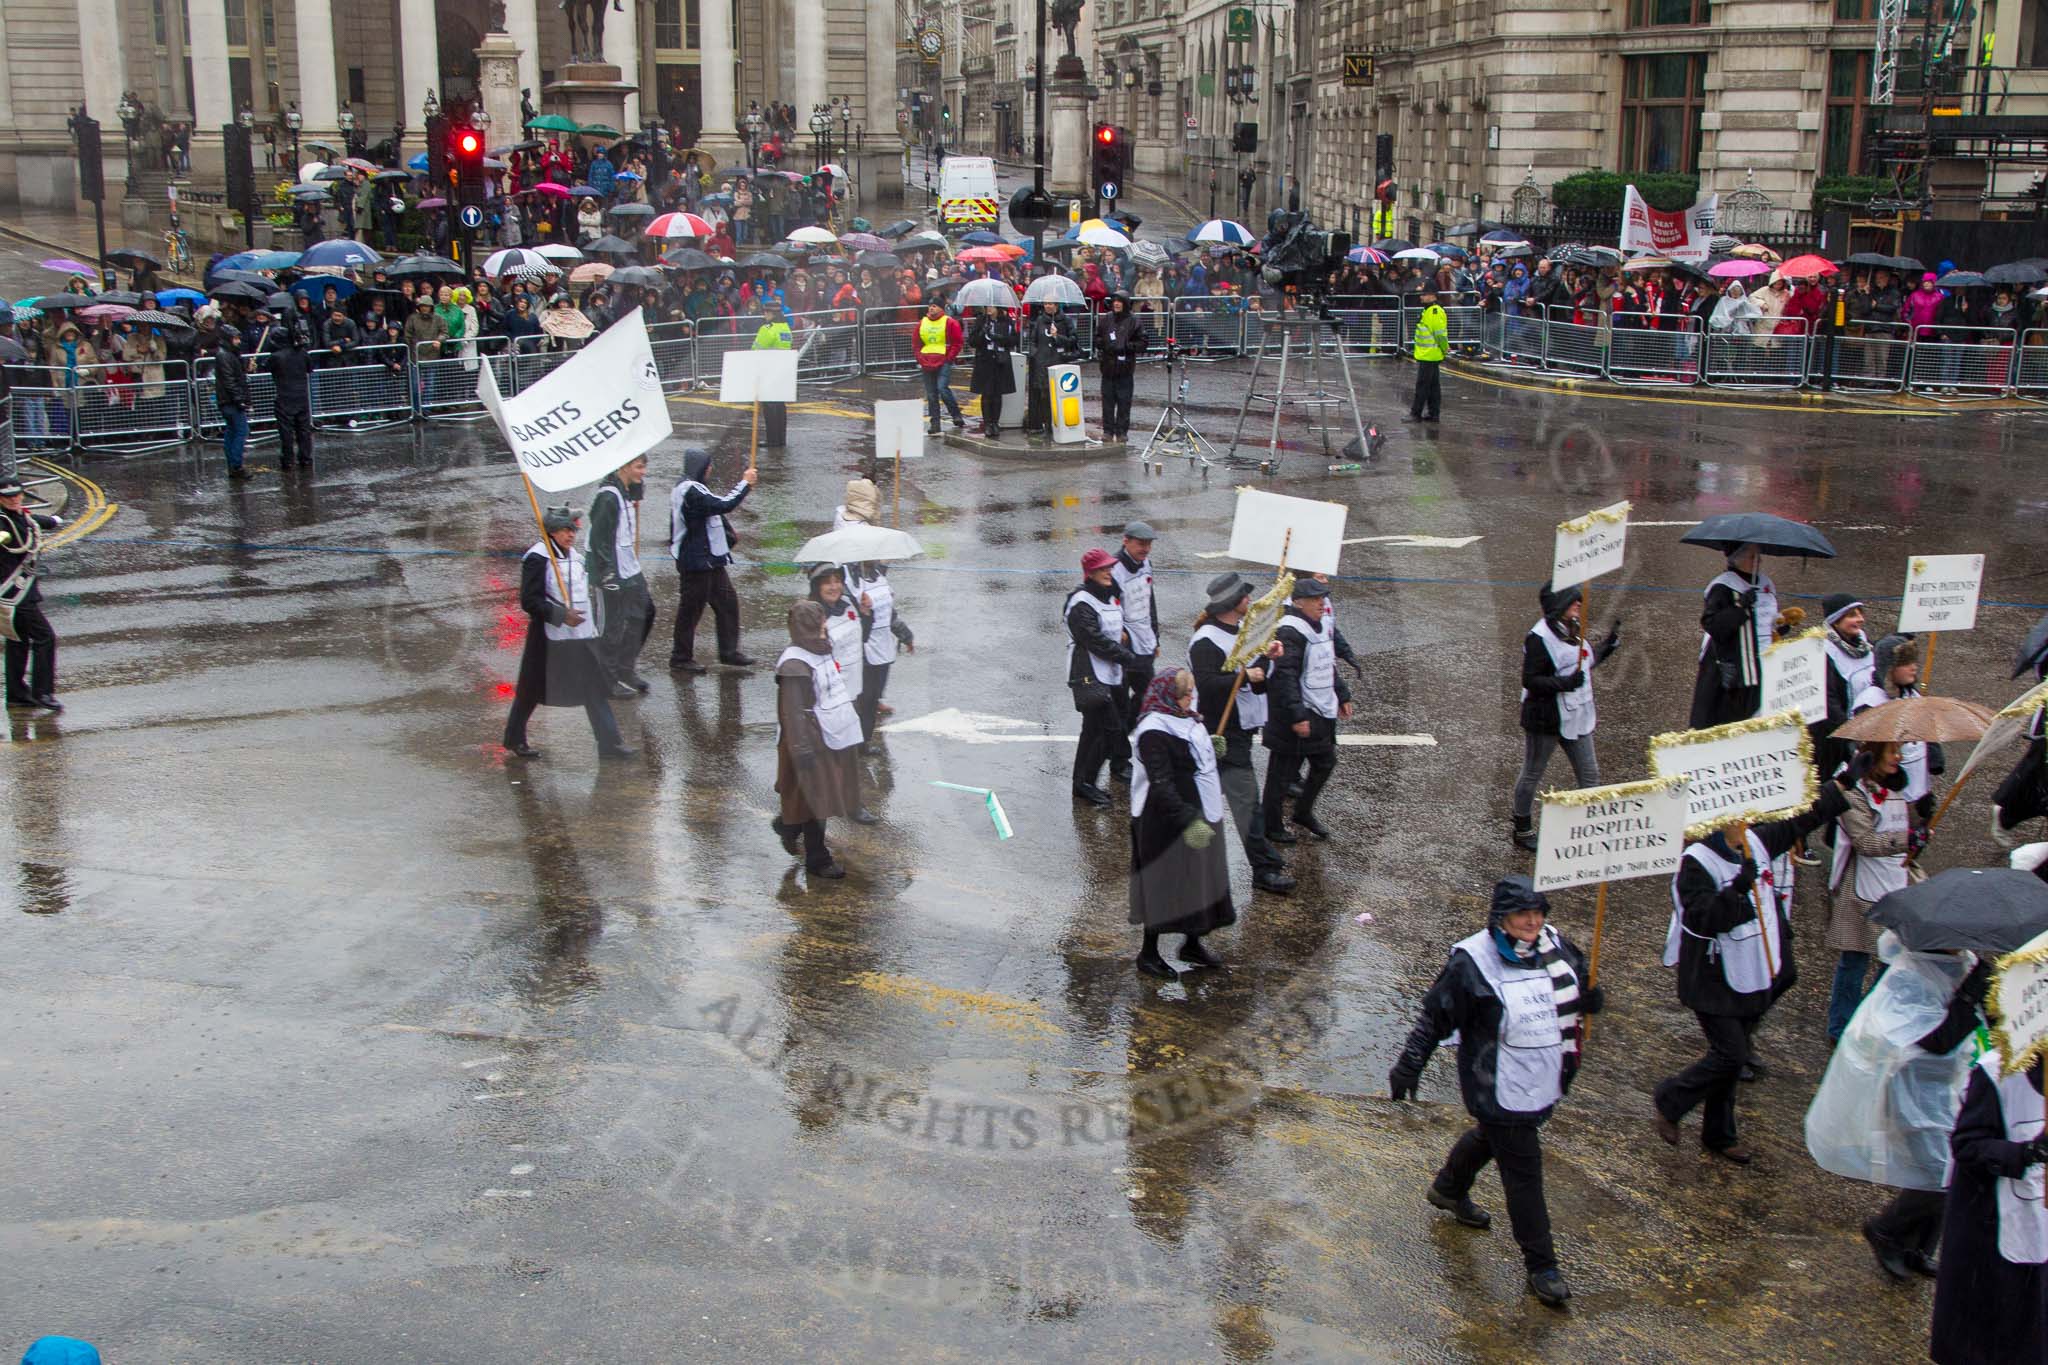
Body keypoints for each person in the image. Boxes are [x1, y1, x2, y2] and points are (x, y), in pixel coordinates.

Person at [1390, 875, 1602, 1308]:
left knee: (1494, 1139)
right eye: (1522, 913)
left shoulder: (1554, 945)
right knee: (1524, 1171)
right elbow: (1437, 1017)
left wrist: (1589, 1000)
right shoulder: (1472, 961)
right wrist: (1410, 1063)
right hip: (1497, 1084)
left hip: (1544, 1078)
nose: (1532, 921)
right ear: (1500, 916)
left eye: (1538, 911)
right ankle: (1541, 1264)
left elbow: (1576, 982)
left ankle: (1449, 1187)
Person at [1652, 780, 1849, 1162]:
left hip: (1751, 969)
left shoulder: (1754, 842)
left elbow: (1801, 819)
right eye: (1736, 815)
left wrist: (1846, 782)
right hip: (1711, 980)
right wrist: (1738, 889)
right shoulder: (1697, 861)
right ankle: (1671, 1098)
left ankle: (1719, 1135)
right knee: (1731, 1053)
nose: (1747, 820)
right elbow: (1702, 918)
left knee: (1733, 1055)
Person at [1805, 931, 1987, 1280]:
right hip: (1913, 1092)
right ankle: (1886, 1229)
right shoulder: (1911, 977)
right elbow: (1932, 1041)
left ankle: (1918, 1249)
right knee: (1943, 1173)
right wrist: (1966, 1000)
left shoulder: (1958, 964)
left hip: (1947, 1087)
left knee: (1939, 1171)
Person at [1929, 1046, 2048, 1364]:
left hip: (2040, 1230)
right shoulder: (1997, 1073)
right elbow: (1967, 1144)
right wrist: (2028, 1153)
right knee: (1989, 1336)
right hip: (1989, 1230)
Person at [1187, 572, 1295, 895]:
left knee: (1204, 803)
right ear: (1232, 604)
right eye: (1245, 597)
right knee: (1246, 803)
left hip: (1239, 730)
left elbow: (1254, 675)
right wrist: (1247, 675)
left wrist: (1267, 657)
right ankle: (1265, 868)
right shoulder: (1205, 641)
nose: (1250, 601)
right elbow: (1206, 687)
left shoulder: (1241, 632)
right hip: (1221, 732)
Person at [1128, 669, 1237, 978]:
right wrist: (1189, 819)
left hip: (1201, 810)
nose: (1192, 698)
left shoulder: (1187, 716)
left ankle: (1192, 942)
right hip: (1166, 820)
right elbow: (1162, 784)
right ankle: (1148, 954)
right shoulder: (1152, 730)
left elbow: (1189, 754)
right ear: (1169, 697)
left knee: (1200, 880)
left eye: (1192, 692)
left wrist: (1207, 751)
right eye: (1186, 694)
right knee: (1164, 884)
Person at [502, 505, 633, 760]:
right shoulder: (537, 558)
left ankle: (610, 744)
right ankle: (514, 738)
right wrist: (561, 616)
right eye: (565, 530)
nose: (571, 535)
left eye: (572, 529)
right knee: (530, 692)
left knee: (594, 689)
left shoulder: (576, 557)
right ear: (551, 531)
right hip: (549, 640)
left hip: (582, 638)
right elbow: (529, 601)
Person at [1825, 741, 1928, 1042]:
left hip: (1896, 888)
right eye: (1892, 751)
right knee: (1854, 962)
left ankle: (1870, 1021)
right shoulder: (1856, 794)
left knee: (1892, 963)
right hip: (1864, 893)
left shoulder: (1898, 791)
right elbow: (1866, 843)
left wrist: (1920, 836)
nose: (1898, 757)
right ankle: (1841, 1027)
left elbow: (1902, 840)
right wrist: (1906, 839)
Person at [1510, 581, 1620, 851]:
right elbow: (1531, 680)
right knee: (1532, 773)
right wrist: (1565, 684)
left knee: (1590, 774)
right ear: (1558, 605)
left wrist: (1608, 646)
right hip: (1546, 719)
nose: (1579, 604)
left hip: (1577, 716)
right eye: (1573, 600)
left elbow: (1582, 659)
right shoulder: (1539, 638)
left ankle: (1587, 829)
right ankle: (1522, 830)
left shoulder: (1572, 628)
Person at [773, 600, 861, 879]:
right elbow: (792, 711)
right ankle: (816, 858)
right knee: (815, 800)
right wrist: (802, 750)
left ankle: (789, 826)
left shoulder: (819, 648)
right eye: (820, 620)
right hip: (808, 742)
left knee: (814, 797)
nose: (825, 624)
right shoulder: (794, 664)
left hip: (825, 735)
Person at [1261, 579, 1352, 844]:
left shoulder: (1322, 624)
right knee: (1280, 775)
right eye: (1316, 600)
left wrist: (1342, 693)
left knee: (1325, 762)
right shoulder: (1290, 631)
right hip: (1295, 716)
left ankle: (1302, 812)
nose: (1322, 604)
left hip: (1320, 711)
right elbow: (1285, 676)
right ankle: (1271, 825)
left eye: (1323, 599)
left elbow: (1327, 661)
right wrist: (1297, 715)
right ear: (1299, 602)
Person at [667, 449, 758, 674]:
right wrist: (745, 484)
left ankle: (729, 651)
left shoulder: (692, 487)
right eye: (708, 466)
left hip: (710, 560)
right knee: (691, 611)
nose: (710, 469)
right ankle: (680, 657)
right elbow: (723, 504)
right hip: (697, 562)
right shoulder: (690, 491)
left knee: (727, 603)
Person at [1068, 547, 1143, 806]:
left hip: (1112, 673)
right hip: (1089, 674)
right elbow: (1094, 639)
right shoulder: (1080, 603)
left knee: (1094, 730)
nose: (1109, 571)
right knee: (1103, 729)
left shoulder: (1110, 596)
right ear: (1090, 572)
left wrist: (1126, 642)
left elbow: (1117, 630)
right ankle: (1085, 782)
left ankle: (1084, 782)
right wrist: (1126, 656)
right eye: (1103, 568)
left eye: (1110, 567)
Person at [586, 454, 655, 698]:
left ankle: (625, 668)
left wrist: (635, 487)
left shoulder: (626, 490)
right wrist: (607, 574)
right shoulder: (608, 496)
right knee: (611, 627)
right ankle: (606, 679)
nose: (643, 472)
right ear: (623, 466)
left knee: (644, 613)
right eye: (639, 467)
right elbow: (598, 539)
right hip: (611, 571)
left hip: (629, 568)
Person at [1688, 543, 1778, 729]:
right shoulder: (1723, 586)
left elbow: (1767, 620)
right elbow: (1713, 625)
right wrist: (1740, 608)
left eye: (1758, 556)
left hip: (1761, 664)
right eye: (1753, 557)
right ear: (1737, 559)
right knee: (1728, 725)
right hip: (1733, 672)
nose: (1759, 561)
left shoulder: (1765, 583)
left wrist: (1779, 628)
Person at [0, 477, 65, 712]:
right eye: (8, 497)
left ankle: (17, 694)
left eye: (17, 495)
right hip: (16, 593)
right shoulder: (2, 520)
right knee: (45, 637)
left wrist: (52, 521)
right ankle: (43, 692)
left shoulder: (20, 516)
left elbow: (30, 522)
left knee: (18, 641)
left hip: (15, 594)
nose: (14, 499)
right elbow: (13, 530)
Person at [846, 555, 912, 749]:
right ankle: (851, 744)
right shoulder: (849, 579)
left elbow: (890, 613)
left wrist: (905, 635)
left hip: (882, 649)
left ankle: (863, 743)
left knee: (871, 700)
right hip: (861, 650)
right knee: (860, 698)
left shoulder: (879, 576)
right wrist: (861, 610)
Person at [1111, 521, 1160, 730]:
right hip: (1124, 644)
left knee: (1149, 695)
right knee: (1119, 702)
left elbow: (1150, 601)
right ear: (1126, 541)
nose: (1145, 549)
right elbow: (1108, 606)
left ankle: (1123, 732)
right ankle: (1118, 753)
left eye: (1148, 544)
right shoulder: (1114, 569)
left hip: (1145, 640)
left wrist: (1156, 638)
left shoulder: (1147, 564)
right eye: (1141, 543)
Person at [1095, 291, 1149, 441]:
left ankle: (1121, 432)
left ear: (1125, 303)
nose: (1116, 304)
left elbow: (1143, 342)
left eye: (1119, 301)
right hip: (1107, 368)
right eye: (1114, 301)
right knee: (1107, 402)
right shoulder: (1106, 319)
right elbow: (1097, 336)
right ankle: (1108, 431)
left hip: (1125, 369)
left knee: (1124, 402)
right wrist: (1103, 344)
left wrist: (1127, 346)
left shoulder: (1134, 321)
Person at [266, 311, 314, 470]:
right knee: (303, 430)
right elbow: (309, 368)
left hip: (284, 397)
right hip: (301, 396)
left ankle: (288, 460)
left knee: (286, 432)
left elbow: (268, 369)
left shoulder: (276, 357)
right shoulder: (302, 353)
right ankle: (305, 458)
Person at [1020, 299, 1076, 436]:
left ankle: (1058, 426)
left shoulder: (1066, 321)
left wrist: (1058, 336)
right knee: (1044, 397)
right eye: (1045, 304)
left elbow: (1073, 341)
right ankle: (1047, 426)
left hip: (1059, 363)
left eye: (1050, 303)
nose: (1047, 306)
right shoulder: (1040, 320)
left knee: (1058, 397)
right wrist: (1036, 354)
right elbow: (1033, 340)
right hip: (1042, 364)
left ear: (1057, 305)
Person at [915, 299, 966, 435]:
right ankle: (935, 424)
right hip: (927, 362)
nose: (931, 308)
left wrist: (949, 358)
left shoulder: (950, 322)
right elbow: (916, 344)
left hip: (943, 361)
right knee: (931, 395)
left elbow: (958, 342)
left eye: (934, 306)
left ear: (941, 308)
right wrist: (920, 358)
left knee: (942, 389)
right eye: (930, 306)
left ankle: (956, 415)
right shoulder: (922, 322)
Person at [967, 304, 1017, 437]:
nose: (989, 309)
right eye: (987, 307)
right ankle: (988, 423)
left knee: (997, 393)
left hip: (1001, 361)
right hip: (985, 361)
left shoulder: (1006, 321)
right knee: (987, 393)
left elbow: (1013, 340)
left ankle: (995, 422)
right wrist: (983, 333)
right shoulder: (981, 320)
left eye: (992, 307)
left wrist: (998, 338)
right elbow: (972, 341)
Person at [212, 325, 252, 482]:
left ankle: (233, 464)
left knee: (232, 431)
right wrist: (239, 399)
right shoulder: (225, 356)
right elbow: (229, 381)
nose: (238, 341)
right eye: (235, 338)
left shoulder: (227, 354)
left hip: (227, 400)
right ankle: (236, 465)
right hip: (230, 401)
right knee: (241, 431)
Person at [752, 297, 792, 446]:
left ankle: (772, 440)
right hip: (782, 370)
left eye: (765, 313)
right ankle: (781, 439)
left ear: (770, 314)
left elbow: (756, 348)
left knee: (769, 407)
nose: (764, 316)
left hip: (768, 369)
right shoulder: (785, 328)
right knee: (780, 406)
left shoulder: (767, 329)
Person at [1409, 283, 1448, 423]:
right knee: (1433, 386)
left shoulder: (1435, 311)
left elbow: (1440, 334)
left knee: (1423, 385)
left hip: (1430, 354)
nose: (1421, 297)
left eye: (1424, 294)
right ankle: (1433, 414)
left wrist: (1445, 348)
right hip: (1428, 353)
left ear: (1432, 295)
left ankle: (1415, 413)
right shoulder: (1429, 310)